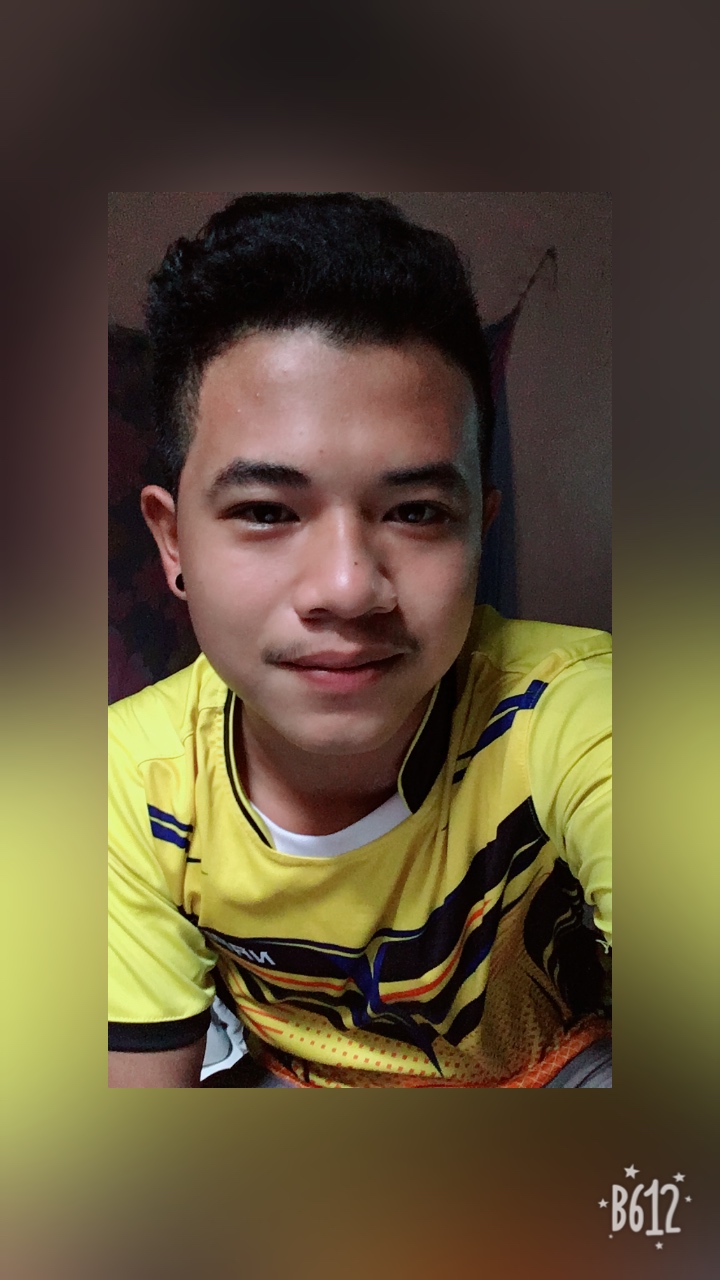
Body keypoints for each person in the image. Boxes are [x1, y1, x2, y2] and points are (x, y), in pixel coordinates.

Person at [108, 193, 611, 1089]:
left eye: (416, 512)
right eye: (267, 512)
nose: (347, 589)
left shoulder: (578, 714)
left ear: (480, 531)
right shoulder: (125, 784)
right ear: (174, 542)